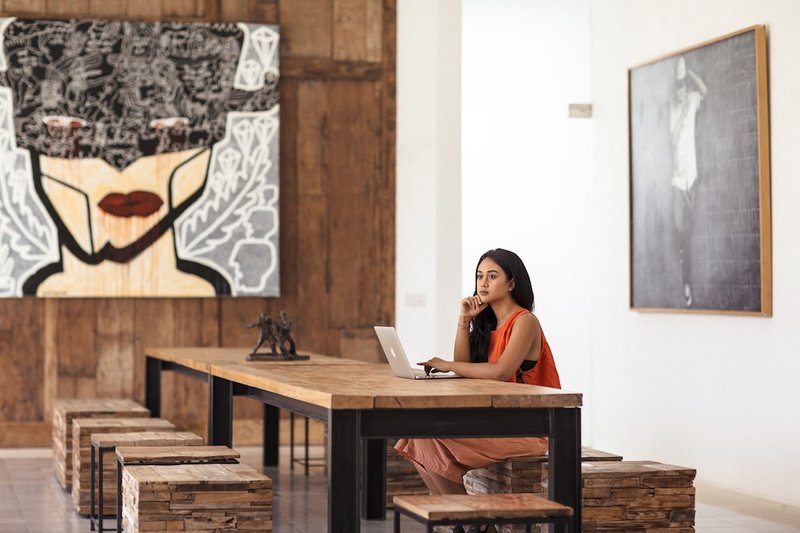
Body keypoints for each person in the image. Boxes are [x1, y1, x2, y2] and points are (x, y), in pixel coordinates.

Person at [394, 248, 560, 526]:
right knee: (415, 436)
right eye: (479, 276)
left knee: (424, 439)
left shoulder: (525, 322)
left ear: (511, 283)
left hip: (528, 428)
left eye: (492, 276)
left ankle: (471, 522)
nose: (482, 283)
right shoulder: (488, 325)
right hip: (498, 422)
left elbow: (500, 371)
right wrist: (464, 320)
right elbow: (465, 368)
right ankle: (469, 521)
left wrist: (447, 364)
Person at [669, 56, 707, 307]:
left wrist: (691, 74)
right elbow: (671, 139)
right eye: (679, 86)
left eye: (685, 86)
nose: (683, 91)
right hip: (677, 179)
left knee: (691, 232)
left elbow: (704, 91)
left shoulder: (693, 100)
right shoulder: (674, 108)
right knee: (678, 229)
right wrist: (681, 111)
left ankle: (688, 283)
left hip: (691, 177)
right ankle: (683, 267)